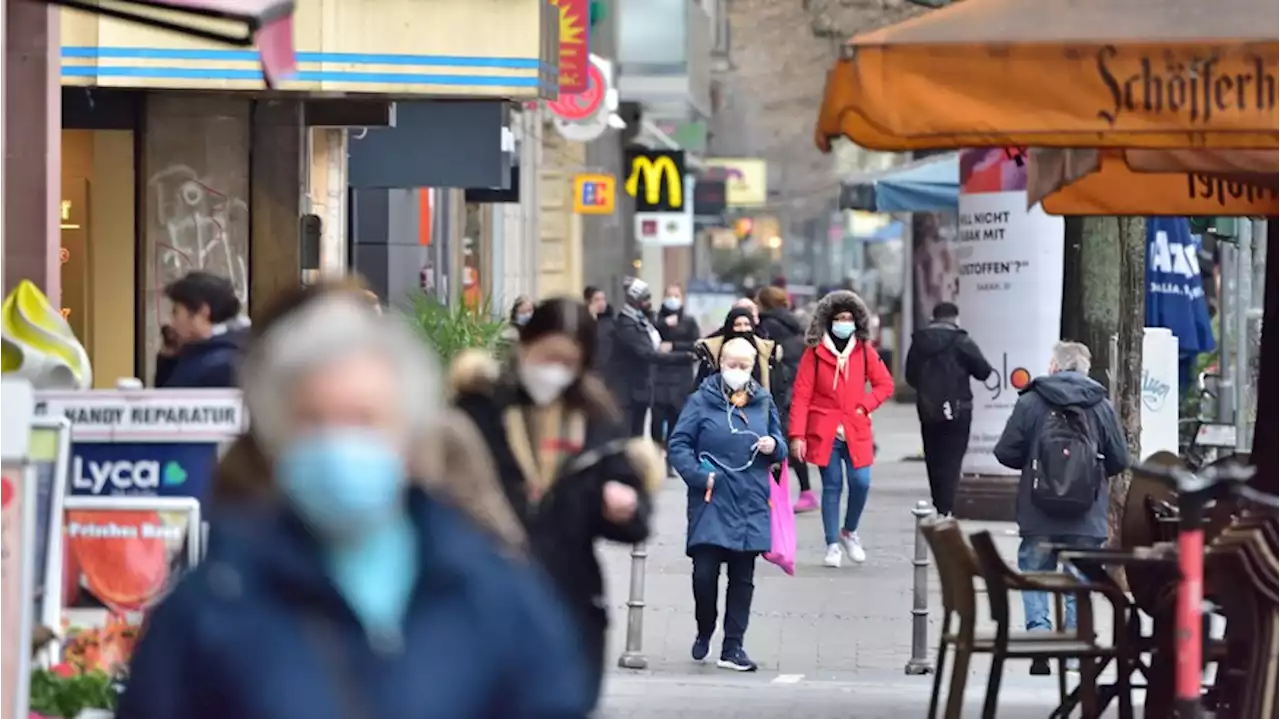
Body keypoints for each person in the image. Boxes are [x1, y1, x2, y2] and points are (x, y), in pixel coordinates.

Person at [119, 287, 593, 719]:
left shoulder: (493, 597)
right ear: (277, 437)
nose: (338, 443)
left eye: (364, 420)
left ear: (408, 437)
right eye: (314, 421)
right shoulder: (215, 603)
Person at [451, 298, 662, 706]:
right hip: (483, 596)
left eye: (568, 362)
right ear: (525, 345)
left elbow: (633, 517)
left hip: (568, 600)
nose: (554, 370)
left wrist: (625, 509)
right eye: (547, 356)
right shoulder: (479, 410)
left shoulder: (596, 419)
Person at [992, 341, 1129, 676]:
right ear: (1084, 369)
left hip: (1038, 513)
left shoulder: (1031, 401)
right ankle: (1071, 649)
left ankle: (1040, 639)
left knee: (1036, 572)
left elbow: (1005, 451)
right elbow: (1120, 459)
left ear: (1054, 366)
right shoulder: (1101, 406)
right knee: (1078, 578)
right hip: (1086, 515)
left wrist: (1034, 465)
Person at [668, 337, 787, 673]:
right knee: (704, 574)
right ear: (721, 365)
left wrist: (773, 446)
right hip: (711, 497)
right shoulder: (701, 400)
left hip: (750, 499)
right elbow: (678, 443)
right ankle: (705, 626)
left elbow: (781, 445)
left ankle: (733, 646)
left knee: (742, 576)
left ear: (753, 367)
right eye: (731, 365)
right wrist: (698, 475)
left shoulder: (763, 401)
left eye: (744, 366)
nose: (737, 371)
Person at [789, 290, 894, 568]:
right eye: (838, 318)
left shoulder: (864, 351)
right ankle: (832, 544)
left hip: (856, 428)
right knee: (832, 486)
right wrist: (797, 435)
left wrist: (865, 405)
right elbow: (801, 396)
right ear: (828, 321)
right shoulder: (814, 353)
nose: (843, 323)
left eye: (848, 318)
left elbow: (885, 384)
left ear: (857, 321)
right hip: (824, 431)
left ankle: (849, 530)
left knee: (861, 482)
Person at [904, 301, 994, 517]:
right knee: (952, 458)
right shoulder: (961, 341)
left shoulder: (919, 343)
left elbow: (910, 376)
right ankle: (947, 509)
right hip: (959, 408)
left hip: (928, 409)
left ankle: (939, 504)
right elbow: (983, 371)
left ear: (934, 318)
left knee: (933, 456)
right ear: (954, 318)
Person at [757, 286, 817, 512]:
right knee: (790, 439)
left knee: (774, 442)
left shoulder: (767, 326)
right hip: (796, 389)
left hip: (779, 388)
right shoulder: (796, 324)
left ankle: (777, 494)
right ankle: (805, 491)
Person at [154, 271, 249, 388]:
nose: (171, 322)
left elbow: (171, 400)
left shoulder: (219, 367)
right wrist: (168, 359)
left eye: (176, 312)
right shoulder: (200, 353)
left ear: (202, 311)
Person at [609, 278, 678, 434]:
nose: (649, 302)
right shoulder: (627, 324)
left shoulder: (642, 319)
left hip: (643, 388)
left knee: (638, 433)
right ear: (635, 301)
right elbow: (647, 353)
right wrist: (681, 357)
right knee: (631, 434)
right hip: (629, 392)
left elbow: (655, 326)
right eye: (645, 299)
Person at [652, 284, 701, 450]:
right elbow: (651, 342)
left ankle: (671, 458)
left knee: (677, 419)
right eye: (669, 295)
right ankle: (657, 453)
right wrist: (664, 324)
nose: (673, 299)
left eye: (676, 295)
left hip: (681, 377)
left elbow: (695, 346)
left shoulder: (689, 321)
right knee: (657, 420)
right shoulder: (656, 320)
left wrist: (673, 346)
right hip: (659, 377)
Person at [694, 307, 780, 388]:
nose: (743, 329)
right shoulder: (712, 351)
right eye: (737, 325)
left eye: (747, 324)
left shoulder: (766, 351)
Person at [584, 286, 614, 372]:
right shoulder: (586, 322)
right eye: (597, 300)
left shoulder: (610, 321)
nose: (601, 303)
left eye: (603, 299)